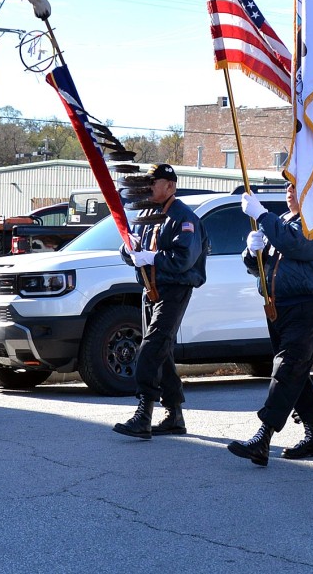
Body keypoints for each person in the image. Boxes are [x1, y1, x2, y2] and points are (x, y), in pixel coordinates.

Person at [227, 183, 313, 467]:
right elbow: (261, 268)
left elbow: (297, 245)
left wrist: (263, 216)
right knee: (294, 371)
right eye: (288, 186)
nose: (290, 190)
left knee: (287, 367)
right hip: (278, 305)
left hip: (306, 305)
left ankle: (263, 437)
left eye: (297, 185)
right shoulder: (285, 221)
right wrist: (253, 254)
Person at [113, 163, 208, 439]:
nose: (149, 186)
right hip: (150, 290)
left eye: (154, 182)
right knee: (162, 351)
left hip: (174, 289)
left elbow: (183, 259)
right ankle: (174, 414)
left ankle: (144, 413)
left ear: (170, 186)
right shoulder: (148, 214)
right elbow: (131, 249)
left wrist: (152, 258)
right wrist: (129, 248)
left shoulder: (183, 218)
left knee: (152, 347)